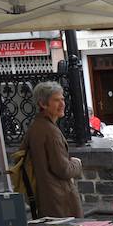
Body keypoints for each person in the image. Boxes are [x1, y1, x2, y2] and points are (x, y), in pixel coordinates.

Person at [20, 81, 83, 218]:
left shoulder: (36, 126)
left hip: (47, 197)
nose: (62, 104)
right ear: (43, 104)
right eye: (56, 100)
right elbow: (63, 169)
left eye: (62, 99)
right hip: (59, 200)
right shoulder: (50, 131)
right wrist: (77, 163)